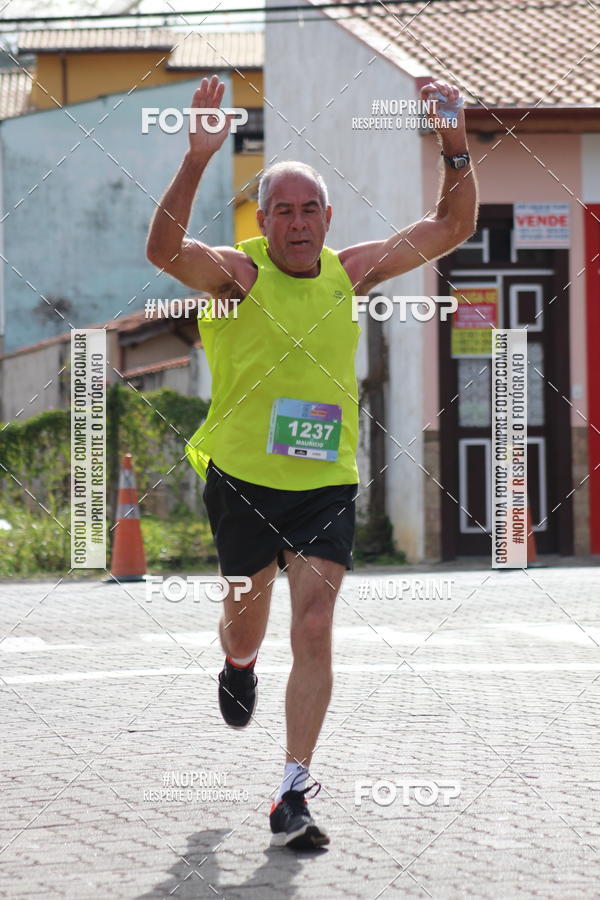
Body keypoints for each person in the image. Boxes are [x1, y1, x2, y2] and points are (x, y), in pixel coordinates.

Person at [146, 75, 477, 849]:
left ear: (329, 219)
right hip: (242, 477)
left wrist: (454, 142)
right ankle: (238, 663)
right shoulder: (237, 276)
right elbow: (164, 252)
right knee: (245, 615)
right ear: (265, 220)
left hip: (325, 479)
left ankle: (292, 791)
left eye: (310, 211)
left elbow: (449, 226)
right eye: (283, 211)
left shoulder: (351, 270)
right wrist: (198, 160)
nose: (297, 223)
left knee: (319, 624)